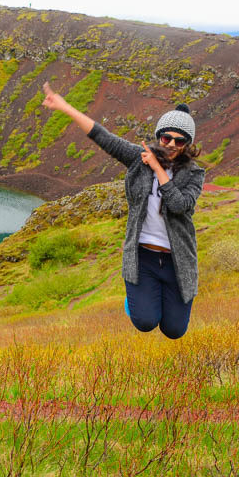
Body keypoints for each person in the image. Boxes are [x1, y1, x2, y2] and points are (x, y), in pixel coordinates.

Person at [40, 83, 205, 339]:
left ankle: (157, 299)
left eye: (179, 140)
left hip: (177, 261)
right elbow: (104, 138)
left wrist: (159, 170)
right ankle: (137, 302)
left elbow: (179, 205)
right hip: (144, 257)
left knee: (174, 331)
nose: (171, 144)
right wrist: (65, 107)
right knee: (146, 322)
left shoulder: (195, 175)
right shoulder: (139, 158)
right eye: (166, 138)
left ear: (187, 144)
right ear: (159, 136)